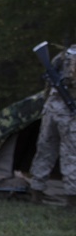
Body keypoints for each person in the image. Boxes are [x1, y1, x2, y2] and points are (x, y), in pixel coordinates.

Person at [30, 44, 76, 207]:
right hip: (69, 113)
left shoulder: (63, 55)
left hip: (50, 109)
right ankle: (72, 199)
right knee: (71, 155)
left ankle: (36, 193)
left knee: (45, 151)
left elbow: (48, 85)